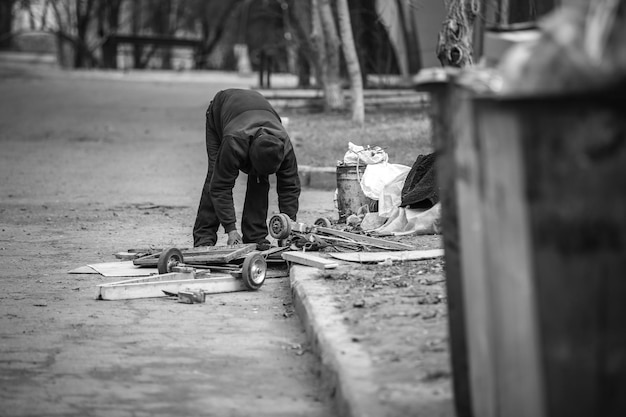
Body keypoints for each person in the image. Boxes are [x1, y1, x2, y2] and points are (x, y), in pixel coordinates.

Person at [193, 88, 300, 250]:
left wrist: (289, 228)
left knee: (260, 179)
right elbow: (221, 187)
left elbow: (290, 187)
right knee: (215, 175)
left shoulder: (284, 147)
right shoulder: (234, 142)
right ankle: (204, 237)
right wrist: (231, 230)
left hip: (255, 111)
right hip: (221, 111)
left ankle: (255, 236)